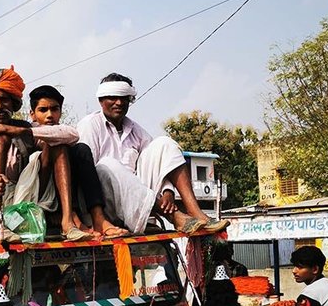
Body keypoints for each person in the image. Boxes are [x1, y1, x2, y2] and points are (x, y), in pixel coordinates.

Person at [77, 74, 229, 235]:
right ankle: (175, 216)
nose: (119, 102)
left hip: (137, 202)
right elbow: (86, 174)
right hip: (105, 205)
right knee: (108, 164)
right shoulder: (90, 125)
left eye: (124, 98)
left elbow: (160, 161)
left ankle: (195, 212)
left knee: (165, 143)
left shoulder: (135, 129)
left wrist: (167, 191)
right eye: (113, 97)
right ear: (101, 100)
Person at [0, 67, 93, 242]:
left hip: (27, 196)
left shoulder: (24, 128)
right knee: (0, 139)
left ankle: (67, 223)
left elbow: (72, 135)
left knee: (58, 145)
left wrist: (19, 131)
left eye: (5, 100)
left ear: (13, 104)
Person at [29, 85, 128, 240]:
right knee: (58, 147)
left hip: (63, 196)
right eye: (43, 110)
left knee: (81, 149)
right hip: (37, 195)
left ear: (60, 112)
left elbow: (72, 135)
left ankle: (98, 217)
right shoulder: (27, 131)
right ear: (32, 114)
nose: (49, 115)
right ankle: (71, 219)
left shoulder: (61, 131)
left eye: (54, 109)